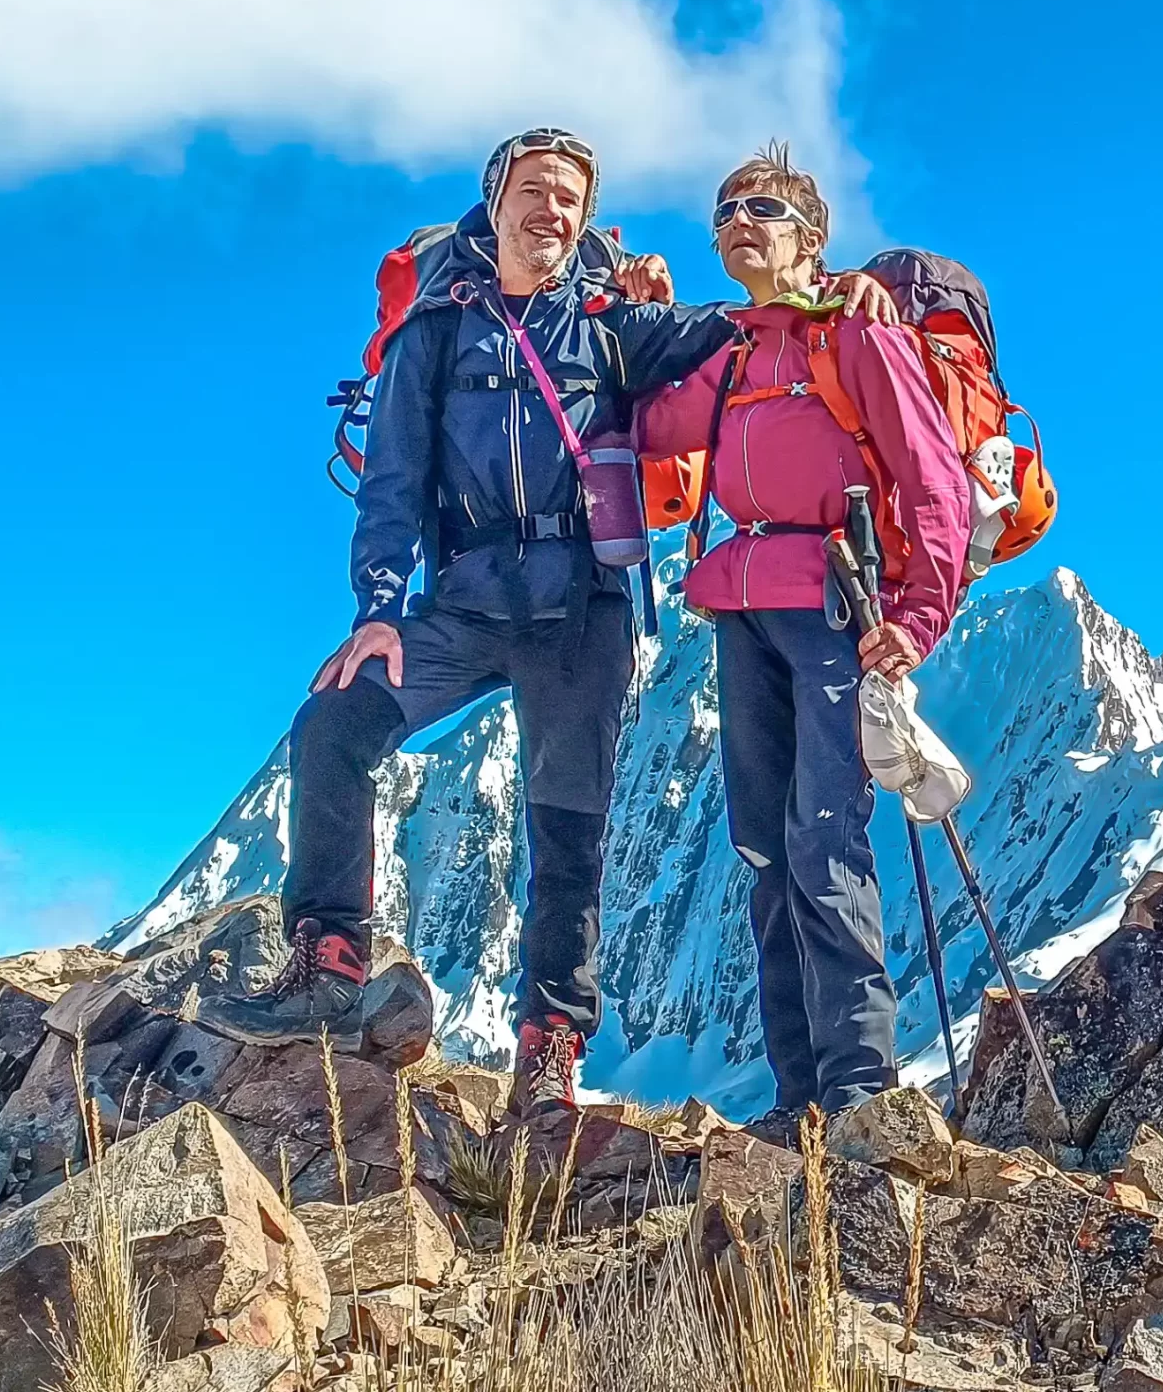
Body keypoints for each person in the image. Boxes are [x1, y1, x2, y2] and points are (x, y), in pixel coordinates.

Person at [197, 129, 892, 1116]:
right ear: (495, 202)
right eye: (535, 191)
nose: (552, 210)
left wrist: (841, 286)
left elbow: (750, 330)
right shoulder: (432, 333)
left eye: (570, 197)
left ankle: (551, 1043)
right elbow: (390, 485)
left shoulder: (611, 327)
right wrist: (377, 613)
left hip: (580, 612)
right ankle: (330, 958)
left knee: (568, 833)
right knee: (336, 722)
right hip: (464, 601)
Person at [637, 144, 970, 1118]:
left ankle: (860, 1093)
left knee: (825, 843)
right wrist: (633, 316)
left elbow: (934, 483)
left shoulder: (857, 337)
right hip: (743, 607)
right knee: (766, 854)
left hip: (833, 601)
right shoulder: (732, 350)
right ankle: (798, 1101)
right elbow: (651, 429)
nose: (740, 219)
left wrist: (915, 617)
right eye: (726, 208)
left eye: (765, 207)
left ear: (812, 239)